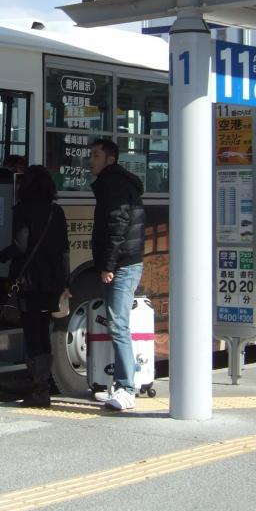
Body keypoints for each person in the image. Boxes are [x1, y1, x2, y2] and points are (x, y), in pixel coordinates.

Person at [0, 165, 69, 407]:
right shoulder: (56, 211)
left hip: (29, 282)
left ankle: (39, 389)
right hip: (51, 282)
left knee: (32, 333)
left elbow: (20, 245)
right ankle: (43, 385)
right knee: (43, 330)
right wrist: (65, 282)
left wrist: (1, 256)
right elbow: (64, 250)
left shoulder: (22, 209)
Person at [88, 137, 145, 412]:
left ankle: (126, 389)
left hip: (122, 265)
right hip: (125, 262)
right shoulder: (117, 182)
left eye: (96, 155)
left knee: (118, 325)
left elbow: (117, 226)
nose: (91, 160)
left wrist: (108, 265)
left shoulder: (113, 184)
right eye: (90, 155)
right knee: (117, 323)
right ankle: (124, 382)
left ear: (110, 159)